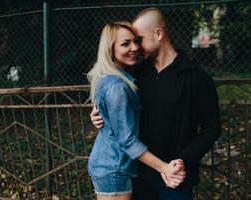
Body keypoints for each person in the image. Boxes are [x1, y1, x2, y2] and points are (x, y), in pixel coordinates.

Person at [90, 8, 221, 200]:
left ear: (158, 34)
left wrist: (183, 161)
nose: (135, 46)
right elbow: (117, 107)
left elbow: (212, 128)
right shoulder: (135, 74)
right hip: (139, 175)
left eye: (139, 39)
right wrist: (99, 116)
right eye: (130, 41)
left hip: (176, 177)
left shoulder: (197, 77)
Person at [87, 21, 186, 200]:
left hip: (111, 165)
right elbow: (127, 140)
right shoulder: (117, 85)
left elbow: (109, 116)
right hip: (113, 167)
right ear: (110, 48)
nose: (134, 47)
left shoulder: (114, 76)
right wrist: (164, 168)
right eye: (125, 43)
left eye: (135, 41)